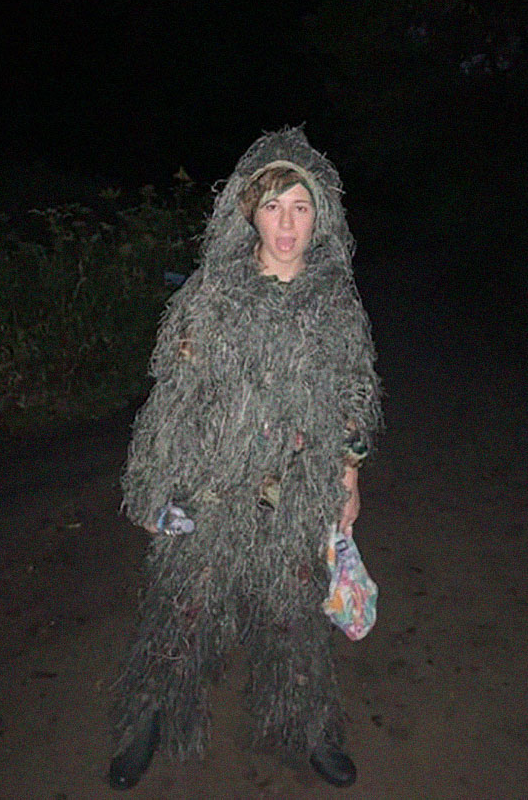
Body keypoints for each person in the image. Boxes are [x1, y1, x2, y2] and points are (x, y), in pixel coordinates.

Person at [108, 127, 382, 790]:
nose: (286, 223)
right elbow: (172, 401)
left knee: (293, 616)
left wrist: (348, 475)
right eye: (272, 205)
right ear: (249, 211)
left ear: (321, 215)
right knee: (181, 604)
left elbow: (352, 394)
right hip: (207, 489)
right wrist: (153, 490)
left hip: (296, 492)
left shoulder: (337, 303)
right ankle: (148, 719)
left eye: (300, 206)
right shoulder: (210, 296)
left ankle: (311, 729)